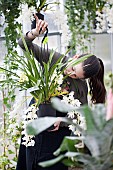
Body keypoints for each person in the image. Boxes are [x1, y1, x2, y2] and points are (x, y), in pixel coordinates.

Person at [16, 14, 106, 170]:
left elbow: (79, 117)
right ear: (75, 57)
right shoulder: (55, 59)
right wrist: (34, 34)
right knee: (30, 162)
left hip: (56, 135)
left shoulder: (81, 88)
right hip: (37, 120)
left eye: (76, 76)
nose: (71, 74)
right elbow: (23, 44)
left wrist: (62, 122)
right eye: (72, 69)